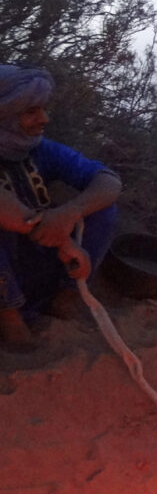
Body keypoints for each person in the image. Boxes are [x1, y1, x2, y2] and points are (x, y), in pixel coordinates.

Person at [0, 64, 121, 348]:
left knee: (104, 208)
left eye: (43, 108)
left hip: (37, 258)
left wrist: (70, 212)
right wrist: (62, 237)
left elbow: (108, 181)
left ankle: (66, 296)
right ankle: (9, 318)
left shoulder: (39, 148)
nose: (44, 118)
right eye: (31, 111)